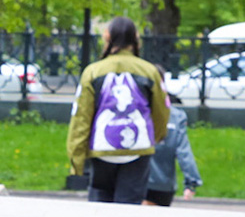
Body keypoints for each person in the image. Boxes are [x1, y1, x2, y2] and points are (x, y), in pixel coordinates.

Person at [66, 16, 169, 204]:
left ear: (107, 37)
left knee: (100, 207)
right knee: (129, 211)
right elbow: (162, 112)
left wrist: (77, 159)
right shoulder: (149, 71)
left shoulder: (93, 71)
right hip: (138, 148)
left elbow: (81, 118)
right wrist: (155, 137)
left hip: (102, 148)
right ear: (136, 38)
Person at [144, 84, 202, 206]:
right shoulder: (176, 116)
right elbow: (183, 152)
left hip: (135, 180)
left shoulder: (135, 112)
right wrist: (191, 181)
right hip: (163, 184)